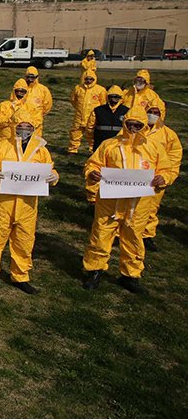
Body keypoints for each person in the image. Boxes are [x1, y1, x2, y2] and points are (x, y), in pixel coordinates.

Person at [82, 107, 172, 294]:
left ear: (143, 125)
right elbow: (92, 164)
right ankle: (94, 271)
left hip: (137, 205)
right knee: (101, 236)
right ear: (124, 123)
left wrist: (163, 178)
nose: (133, 128)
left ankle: (130, 276)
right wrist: (93, 174)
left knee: (133, 239)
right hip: (110, 202)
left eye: (137, 125)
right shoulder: (109, 145)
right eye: (130, 124)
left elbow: (166, 169)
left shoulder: (153, 147)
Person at [0, 108, 59, 296]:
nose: (24, 129)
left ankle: (21, 276)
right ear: (14, 126)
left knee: (24, 242)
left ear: (34, 127)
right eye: (20, 125)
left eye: (28, 126)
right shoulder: (1, 147)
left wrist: (53, 177)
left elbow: (51, 169)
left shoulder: (41, 150)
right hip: (2, 205)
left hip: (28, 207)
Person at [142, 103, 182, 252]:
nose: (152, 114)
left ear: (162, 114)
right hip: (135, 178)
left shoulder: (169, 135)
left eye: (156, 112)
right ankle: (122, 235)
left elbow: (174, 159)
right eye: (149, 111)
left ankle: (146, 236)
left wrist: (166, 177)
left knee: (151, 209)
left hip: (156, 179)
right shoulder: (135, 128)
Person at [68, 70, 106, 154]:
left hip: (92, 117)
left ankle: (93, 150)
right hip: (79, 116)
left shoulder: (100, 90)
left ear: (94, 79)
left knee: (92, 134)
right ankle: (72, 150)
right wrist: (79, 108)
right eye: (87, 79)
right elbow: (73, 100)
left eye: (91, 79)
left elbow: (103, 103)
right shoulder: (78, 88)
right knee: (75, 132)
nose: (88, 81)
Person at [0, 80, 36, 144]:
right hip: (4, 140)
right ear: (13, 91)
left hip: (24, 141)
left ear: (26, 92)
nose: (19, 93)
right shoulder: (3, 105)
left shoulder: (31, 108)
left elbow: (36, 123)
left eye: (22, 91)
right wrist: (9, 120)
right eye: (17, 91)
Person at [22, 67, 52, 136]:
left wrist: (39, 114)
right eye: (28, 77)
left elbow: (47, 105)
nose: (30, 79)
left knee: (35, 142)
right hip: (21, 121)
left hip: (36, 122)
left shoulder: (43, 90)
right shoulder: (20, 88)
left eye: (32, 77)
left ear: (37, 77)